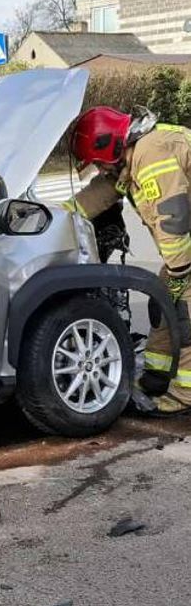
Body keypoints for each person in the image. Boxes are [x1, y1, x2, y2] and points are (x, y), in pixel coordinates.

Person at [65, 105, 191, 412]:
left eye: (96, 163)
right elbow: (99, 194)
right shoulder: (130, 156)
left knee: (186, 309)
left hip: (185, 253)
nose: (97, 169)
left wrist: (179, 272)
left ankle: (186, 394)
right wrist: (55, 219)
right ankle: (156, 375)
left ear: (108, 147)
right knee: (162, 303)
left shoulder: (151, 155)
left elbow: (173, 216)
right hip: (185, 254)